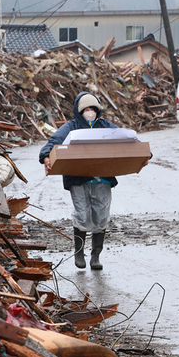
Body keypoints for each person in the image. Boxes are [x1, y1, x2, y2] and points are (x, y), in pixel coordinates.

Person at [38, 92, 118, 271]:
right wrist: (45, 156)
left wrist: (142, 153)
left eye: (93, 109)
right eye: (86, 109)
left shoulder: (105, 126)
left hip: (102, 179)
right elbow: (54, 141)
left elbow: (127, 140)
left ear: (98, 110)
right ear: (80, 111)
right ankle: (79, 252)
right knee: (82, 215)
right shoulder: (71, 127)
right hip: (78, 179)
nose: (90, 112)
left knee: (102, 216)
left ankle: (95, 256)